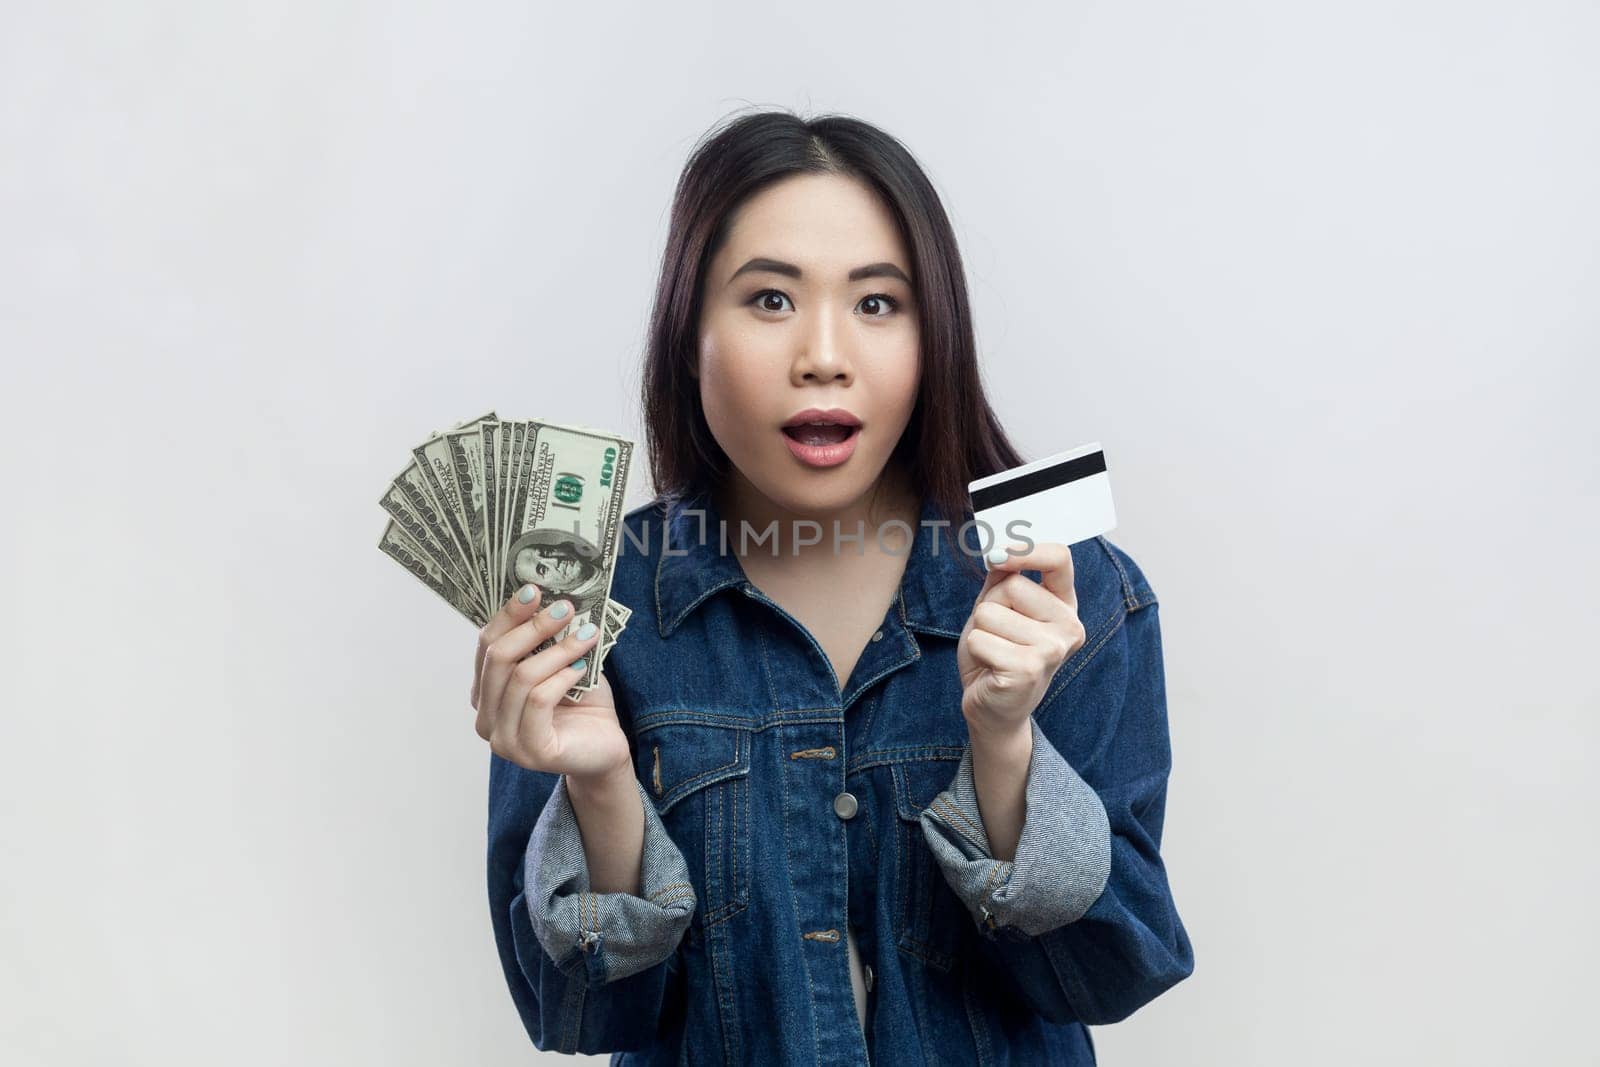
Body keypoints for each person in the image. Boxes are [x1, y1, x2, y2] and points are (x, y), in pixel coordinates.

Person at [475, 109, 1194, 1065]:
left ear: (935, 335)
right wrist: (603, 786)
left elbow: (1111, 975)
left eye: (877, 303)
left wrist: (1006, 748)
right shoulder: (582, 608)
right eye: (770, 300)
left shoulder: (1075, 592)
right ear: (690, 333)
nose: (823, 353)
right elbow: (575, 1017)